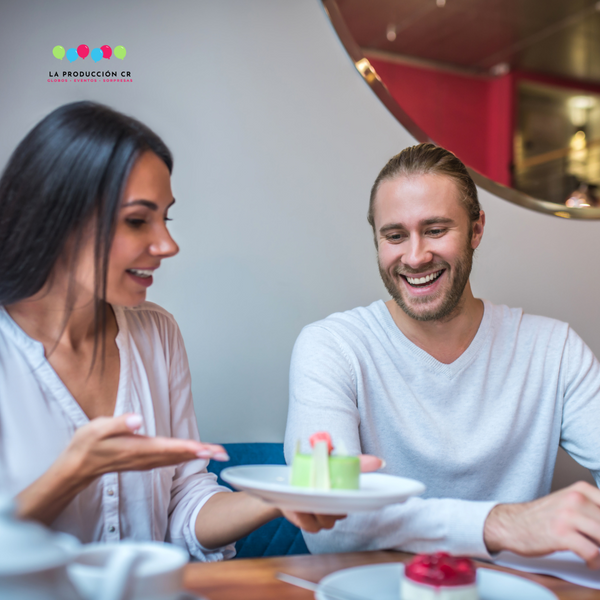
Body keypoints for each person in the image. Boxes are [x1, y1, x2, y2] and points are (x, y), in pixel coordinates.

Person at [0, 101, 372, 560]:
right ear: (57, 219)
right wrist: (73, 472)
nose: (167, 244)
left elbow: (184, 506)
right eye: (138, 220)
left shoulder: (157, 334)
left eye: (165, 218)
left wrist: (278, 495)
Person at [284, 143, 600, 567]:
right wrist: (502, 524)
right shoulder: (332, 347)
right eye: (395, 235)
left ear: (476, 230)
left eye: (435, 230)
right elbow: (327, 522)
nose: (415, 257)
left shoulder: (554, 350)